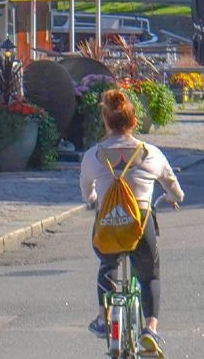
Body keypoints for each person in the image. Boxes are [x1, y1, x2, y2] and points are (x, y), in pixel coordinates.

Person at [80, 89, 184, 356]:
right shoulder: (150, 153)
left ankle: (105, 318)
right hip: (140, 222)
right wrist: (175, 196)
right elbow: (171, 183)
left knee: (107, 263)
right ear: (134, 121)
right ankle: (150, 329)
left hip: (108, 223)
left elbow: (86, 187)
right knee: (149, 273)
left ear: (105, 121)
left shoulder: (94, 155)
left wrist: (92, 197)